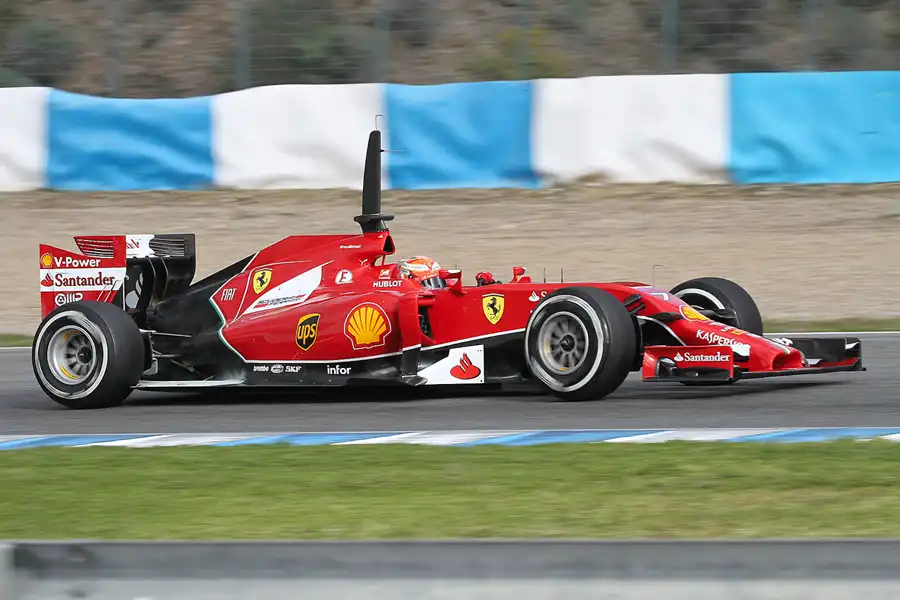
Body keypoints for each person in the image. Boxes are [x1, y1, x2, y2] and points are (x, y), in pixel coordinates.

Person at [397, 256, 501, 288]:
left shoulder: (447, 284)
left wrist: (485, 287)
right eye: (429, 282)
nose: (438, 287)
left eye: (437, 282)